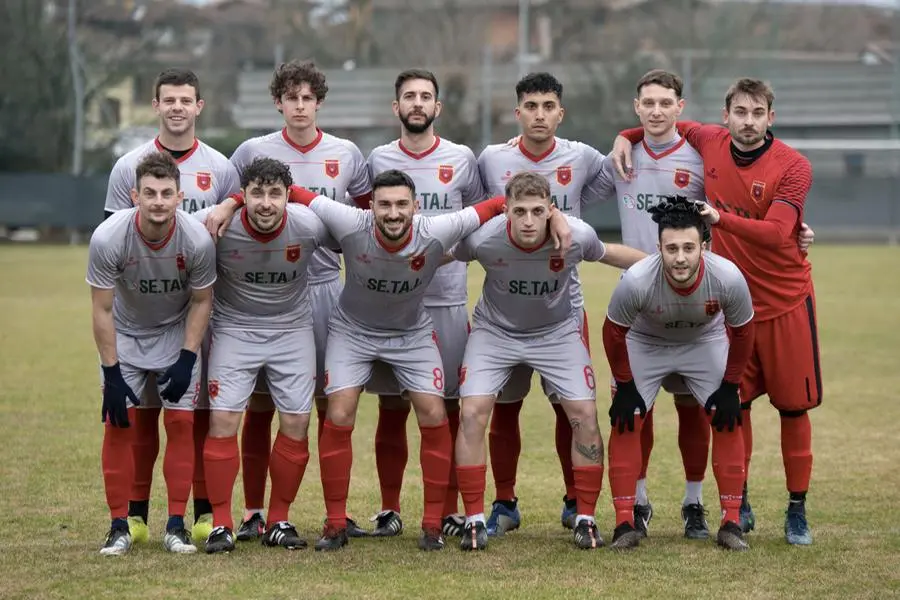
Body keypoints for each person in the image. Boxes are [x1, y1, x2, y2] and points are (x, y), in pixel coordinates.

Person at [259, 170, 569, 551]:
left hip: (411, 334)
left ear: (415, 207)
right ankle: (335, 523)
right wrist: (233, 201)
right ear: (369, 206)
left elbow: (494, 207)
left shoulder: (437, 229)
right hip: (352, 330)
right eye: (385, 204)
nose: (393, 213)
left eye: (401, 204)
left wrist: (556, 216)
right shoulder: (350, 222)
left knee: (434, 413)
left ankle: (432, 525)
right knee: (338, 412)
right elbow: (295, 192)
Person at [610, 78, 820, 546]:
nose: (748, 122)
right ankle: (738, 504)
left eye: (757, 113)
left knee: (793, 409)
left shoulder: (794, 166)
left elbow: (777, 232)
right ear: (725, 117)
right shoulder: (708, 138)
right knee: (733, 407)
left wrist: (719, 219)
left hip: (784, 302)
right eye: (739, 112)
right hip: (726, 308)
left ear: (771, 117)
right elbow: (662, 121)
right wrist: (625, 135)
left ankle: (796, 509)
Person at [206, 59, 372, 540]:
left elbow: (358, 223)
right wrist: (231, 202)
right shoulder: (253, 150)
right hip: (259, 292)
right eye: (291, 98)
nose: (300, 106)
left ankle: (329, 512)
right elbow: (234, 201)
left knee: (324, 405)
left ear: (319, 102)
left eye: (308, 98)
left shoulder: (346, 153)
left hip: (323, 291)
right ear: (278, 102)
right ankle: (257, 511)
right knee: (258, 406)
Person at [452, 172, 646, 551]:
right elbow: (441, 252)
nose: (528, 220)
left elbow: (610, 254)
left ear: (550, 210)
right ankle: (474, 518)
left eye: (537, 211)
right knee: (473, 412)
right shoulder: (484, 238)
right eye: (519, 211)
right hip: (495, 333)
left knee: (584, 415)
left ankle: (586, 518)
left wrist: (661, 265)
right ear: (505, 210)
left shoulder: (575, 235)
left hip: (557, 333)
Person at [103, 68, 240, 546]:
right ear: (155, 105)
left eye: (187, 99)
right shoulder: (128, 167)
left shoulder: (221, 167)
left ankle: (200, 512)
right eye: (169, 100)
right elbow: (120, 248)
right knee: (139, 413)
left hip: (204, 305)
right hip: (141, 312)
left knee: (196, 411)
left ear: (199, 106)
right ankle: (135, 515)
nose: (178, 107)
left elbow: (233, 232)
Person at [476, 71, 606, 535]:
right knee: (503, 407)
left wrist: (629, 135)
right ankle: (505, 503)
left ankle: (575, 501)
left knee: (569, 409)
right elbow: (482, 212)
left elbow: (611, 186)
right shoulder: (492, 159)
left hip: (563, 306)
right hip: (504, 306)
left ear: (560, 112)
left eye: (548, 106)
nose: (539, 115)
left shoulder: (585, 157)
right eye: (531, 106)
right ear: (517, 113)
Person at [188, 157, 337, 553]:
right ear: (243, 196)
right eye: (256, 193)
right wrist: (226, 205)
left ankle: (278, 520)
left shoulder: (309, 223)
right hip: (235, 329)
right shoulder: (216, 222)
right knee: (222, 421)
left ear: (289, 196)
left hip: (292, 331)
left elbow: (358, 229)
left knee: (296, 423)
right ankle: (221, 524)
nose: (266, 203)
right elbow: (169, 228)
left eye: (275, 194)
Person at [365, 69, 487, 538]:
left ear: (438, 107)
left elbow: (476, 219)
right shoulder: (377, 159)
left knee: (449, 408)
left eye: (426, 97)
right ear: (396, 108)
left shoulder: (460, 158)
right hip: (390, 304)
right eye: (409, 97)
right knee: (392, 409)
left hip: (446, 299)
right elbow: (364, 221)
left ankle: (451, 510)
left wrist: (446, 256)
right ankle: (390, 509)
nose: (418, 103)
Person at [602, 196, 755, 551]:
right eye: (671, 248)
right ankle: (626, 521)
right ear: (658, 248)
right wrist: (625, 386)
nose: (680, 257)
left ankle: (730, 520)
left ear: (705, 245)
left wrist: (731, 385)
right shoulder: (637, 280)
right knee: (627, 419)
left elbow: (745, 331)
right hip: (646, 341)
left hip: (703, 340)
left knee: (728, 418)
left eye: (689, 247)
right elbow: (613, 333)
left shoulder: (728, 277)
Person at [87, 151, 216, 555]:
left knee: (180, 425)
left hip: (174, 332)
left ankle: (176, 525)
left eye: (166, 193)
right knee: (118, 425)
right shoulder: (109, 237)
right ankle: (118, 526)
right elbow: (102, 308)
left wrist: (187, 357)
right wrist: (111, 373)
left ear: (180, 197)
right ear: (134, 196)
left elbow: (201, 302)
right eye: (149, 193)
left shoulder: (196, 239)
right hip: (125, 333)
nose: (158, 201)